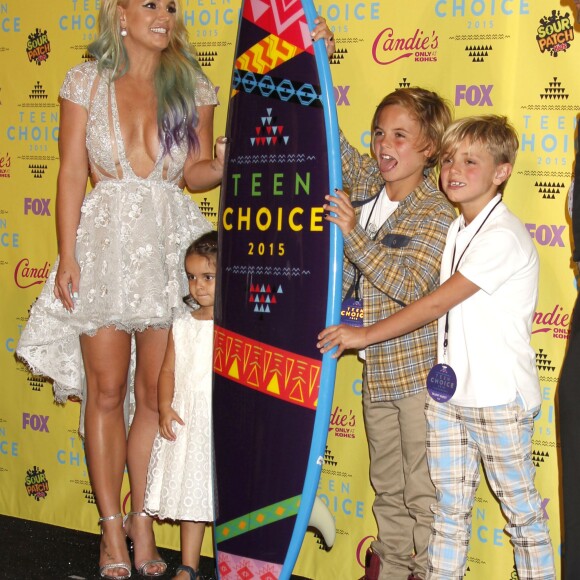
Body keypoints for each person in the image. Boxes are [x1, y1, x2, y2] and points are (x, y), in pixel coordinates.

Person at [16, 1, 225, 578]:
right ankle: (111, 530)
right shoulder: (85, 78)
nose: (163, 14)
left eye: (171, 6)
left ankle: (143, 520)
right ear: (120, 12)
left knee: (156, 398)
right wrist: (67, 254)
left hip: (168, 251)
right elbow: (70, 171)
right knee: (105, 393)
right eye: (150, 3)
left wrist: (228, 158)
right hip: (105, 248)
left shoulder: (194, 86)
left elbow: (196, 173)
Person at [318, 115, 556, 579]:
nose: (454, 170)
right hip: (449, 400)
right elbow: (346, 155)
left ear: (502, 172)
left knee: (524, 517)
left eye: (471, 161)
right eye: (449, 160)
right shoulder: (456, 229)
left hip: (499, 398)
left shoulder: (502, 234)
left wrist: (363, 335)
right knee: (447, 517)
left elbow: (432, 305)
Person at [327, 87, 455, 580]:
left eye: (401, 135)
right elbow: (329, 138)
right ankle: (392, 568)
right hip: (378, 368)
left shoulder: (437, 210)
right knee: (386, 481)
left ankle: (427, 570)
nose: (385, 144)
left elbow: (408, 285)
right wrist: (320, 58)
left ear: (430, 148)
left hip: (417, 371)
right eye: (380, 132)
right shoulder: (366, 182)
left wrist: (353, 234)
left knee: (422, 488)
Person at [143, 231, 217, 580]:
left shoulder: (236, 324)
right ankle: (189, 564)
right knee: (193, 497)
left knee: (222, 497)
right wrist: (164, 406)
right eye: (191, 277)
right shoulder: (183, 323)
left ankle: (237, 564)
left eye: (207, 277)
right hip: (189, 418)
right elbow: (168, 369)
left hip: (218, 421)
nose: (198, 286)